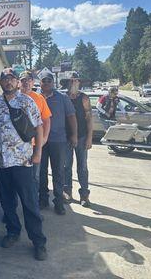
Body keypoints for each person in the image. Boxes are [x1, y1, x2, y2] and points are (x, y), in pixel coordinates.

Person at [0, 68, 47, 261]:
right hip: (1, 162)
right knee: (7, 202)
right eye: (4, 79)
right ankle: (13, 231)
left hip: (22, 161)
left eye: (12, 79)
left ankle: (39, 241)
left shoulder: (27, 101)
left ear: (17, 81)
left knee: (29, 203)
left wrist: (38, 151)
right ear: (0, 82)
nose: (8, 82)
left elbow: (38, 127)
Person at [38, 68, 77, 215]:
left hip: (58, 140)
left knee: (58, 172)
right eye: (44, 81)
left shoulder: (62, 98)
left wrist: (74, 135)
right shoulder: (35, 97)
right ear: (40, 83)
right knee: (41, 172)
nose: (47, 83)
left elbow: (71, 116)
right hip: (40, 141)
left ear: (53, 82)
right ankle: (42, 199)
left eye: (49, 80)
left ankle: (59, 202)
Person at [61, 72, 93, 207]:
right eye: (72, 81)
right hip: (66, 137)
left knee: (82, 167)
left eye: (76, 81)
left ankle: (84, 194)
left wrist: (90, 138)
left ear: (80, 83)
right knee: (66, 166)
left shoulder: (84, 98)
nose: (74, 83)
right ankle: (67, 191)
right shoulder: (63, 97)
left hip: (82, 136)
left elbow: (89, 118)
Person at [19, 70, 51, 188]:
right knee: (19, 175)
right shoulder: (13, 97)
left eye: (29, 80)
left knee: (34, 175)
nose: (26, 83)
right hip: (17, 145)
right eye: (23, 81)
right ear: (19, 83)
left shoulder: (39, 98)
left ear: (33, 82)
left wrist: (44, 138)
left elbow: (46, 119)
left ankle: (34, 201)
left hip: (34, 144)